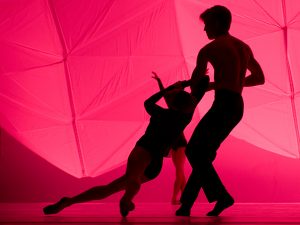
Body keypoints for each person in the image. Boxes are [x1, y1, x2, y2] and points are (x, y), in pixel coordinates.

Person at [43, 75, 209, 217]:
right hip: (155, 162)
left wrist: (177, 86)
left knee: (118, 186)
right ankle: (117, 200)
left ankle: (124, 199)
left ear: (172, 103)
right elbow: (201, 87)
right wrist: (187, 85)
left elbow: (148, 102)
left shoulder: (160, 113)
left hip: (145, 150)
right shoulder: (185, 117)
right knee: (117, 186)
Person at [175, 5, 265, 217]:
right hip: (236, 105)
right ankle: (187, 205)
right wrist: (222, 83)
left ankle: (221, 196)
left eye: (206, 24)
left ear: (216, 23)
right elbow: (259, 78)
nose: (204, 30)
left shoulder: (208, 50)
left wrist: (184, 87)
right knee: (203, 155)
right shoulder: (243, 47)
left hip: (223, 104)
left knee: (194, 151)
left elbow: (197, 84)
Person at [151, 72, 187, 205]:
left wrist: (160, 81)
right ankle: (181, 198)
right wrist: (159, 81)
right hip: (176, 142)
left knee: (180, 171)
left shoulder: (178, 108)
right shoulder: (177, 108)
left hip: (178, 142)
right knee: (180, 171)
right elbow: (165, 93)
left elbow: (165, 93)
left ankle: (178, 198)